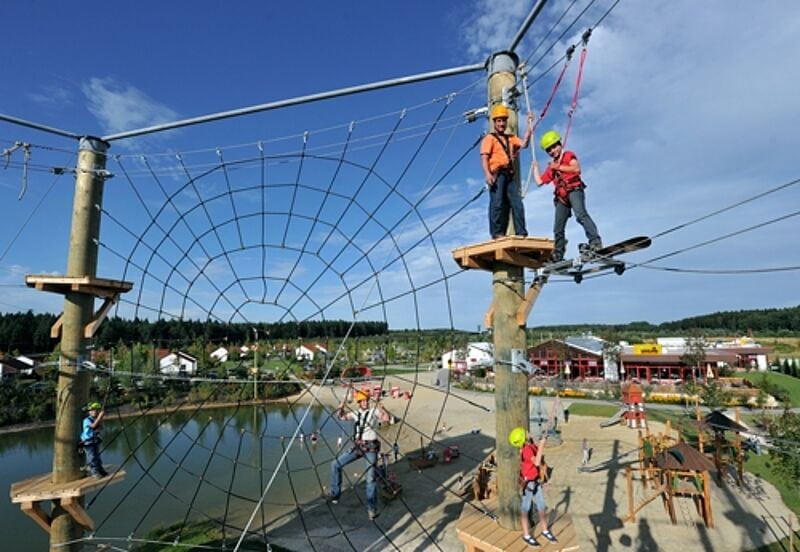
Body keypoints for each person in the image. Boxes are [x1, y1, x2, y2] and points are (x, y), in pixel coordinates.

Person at [533, 130, 602, 262]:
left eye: (554, 147)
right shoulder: (552, 166)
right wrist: (535, 168)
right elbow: (540, 182)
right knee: (558, 227)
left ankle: (595, 242)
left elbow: (576, 169)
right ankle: (558, 254)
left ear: (560, 144)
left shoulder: (568, 155)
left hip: (574, 189)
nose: (552, 151)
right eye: (549, 150)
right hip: (562, 198)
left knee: (581, 215)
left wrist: (558, 167)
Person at [327, 390, 392, 520]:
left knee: (370, 479)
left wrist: (383, 409)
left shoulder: (374, 411)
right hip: (358, 447)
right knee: (335, 464)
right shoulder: (356, 413)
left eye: (366, 400)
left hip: (371, 448)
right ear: (359, 402)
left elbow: (386, 419)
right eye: (362, 401)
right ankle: (335, 494)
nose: (365, 402)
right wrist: (341, 408)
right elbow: (342, 417)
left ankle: (372, 509)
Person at [480, 105, 534, 239]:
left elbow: (524, 144)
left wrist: (529, 126)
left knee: (517, 203)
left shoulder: (511, 138)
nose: (501, 123)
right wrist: (487, 174)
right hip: (497, 174)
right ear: (494, 122)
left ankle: (521, 232)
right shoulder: (489, 139)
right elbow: (484, 157)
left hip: (509, 175)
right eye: (499, 120)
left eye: (503, 120)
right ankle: (497, 233)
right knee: (497, 203)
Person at [510, 427, 558, 547]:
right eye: (526, 432)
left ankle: (545, 530)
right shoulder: (526, 450)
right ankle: (526, 535)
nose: (528, 432)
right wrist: (541, 445)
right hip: (529, 483)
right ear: (523, 438)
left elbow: (539, 460)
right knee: (525, 509)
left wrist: (542, 442)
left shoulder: (530, 446)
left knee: (541, 506)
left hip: (535, 481)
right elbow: (536, 462)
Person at [81, 401, 108, 478]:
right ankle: (94, 472)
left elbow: (101, 428)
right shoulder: (86, 420)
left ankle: (100, 470)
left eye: (96, 410)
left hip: (95, 441)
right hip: (88, 443)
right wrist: (99, 417)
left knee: (97, 457)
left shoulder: (96, 419)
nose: (95, 412)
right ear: (89, 412)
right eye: (92, 410)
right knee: (92, 457)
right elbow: (93, 426)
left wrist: (101, 418)